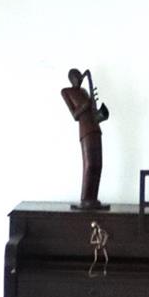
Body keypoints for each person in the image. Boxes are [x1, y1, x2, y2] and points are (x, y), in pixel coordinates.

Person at [61, 68, 109, 210]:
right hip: (85, 129)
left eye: (80, 76)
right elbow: (75, 115)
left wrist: (99, 113)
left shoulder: (84, 92)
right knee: (89, 164)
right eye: (77, 76)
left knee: (98, 163)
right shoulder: (66, 92)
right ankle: (86, 198)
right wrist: (86, 105)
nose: (80, 78)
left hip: (95, 128)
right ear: (72, 78)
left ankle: (93, 198)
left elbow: (92, 111)